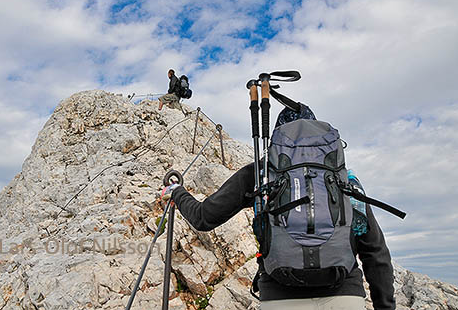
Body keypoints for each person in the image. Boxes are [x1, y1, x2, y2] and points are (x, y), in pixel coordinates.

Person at [165, 104, 396, 310]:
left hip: (280, 297)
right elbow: (375, 250)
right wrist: (385, 305)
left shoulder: (261, 174)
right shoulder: (345, 179)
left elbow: (205, 217)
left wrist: (178, 192)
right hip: (344, 296)